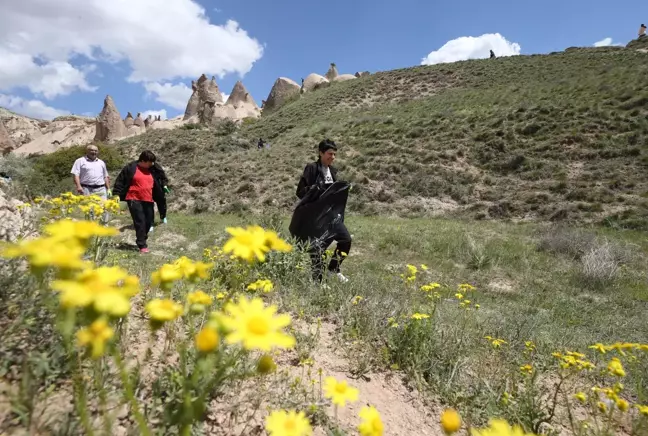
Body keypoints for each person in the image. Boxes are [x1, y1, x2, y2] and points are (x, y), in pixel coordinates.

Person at [294, 139, 352, 283]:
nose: (332, 157)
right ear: (320, 153)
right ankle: (317, 282)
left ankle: (333, 269)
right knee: (317, 247)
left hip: (331, 215)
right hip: (315, 216)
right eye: (329, 154)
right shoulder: (311, 168)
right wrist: (315, 189)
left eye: (334, 154)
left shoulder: (333, 171)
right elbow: (300, 192)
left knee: (345, 239)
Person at [113, 151, 164, 254]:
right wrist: (116, 194)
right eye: (150, 162)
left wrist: (163, 186)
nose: (151, 164)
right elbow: (120, 180)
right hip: (133, 198)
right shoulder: (131, 168)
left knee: (149, 221)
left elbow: (160, 177)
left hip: (148, 199)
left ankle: (142, 238)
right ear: (143, 161)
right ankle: (142, 245)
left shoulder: (152, 169)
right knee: (140, 221)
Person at [149, 162, 170, 232]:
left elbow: (164, 177)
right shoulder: (143, 168)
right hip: (148, 190)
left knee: (162, 204)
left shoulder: (156, 166)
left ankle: (163, 217)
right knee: (149, 207)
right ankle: (151, 223)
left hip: (159, 190)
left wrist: (165, 185)